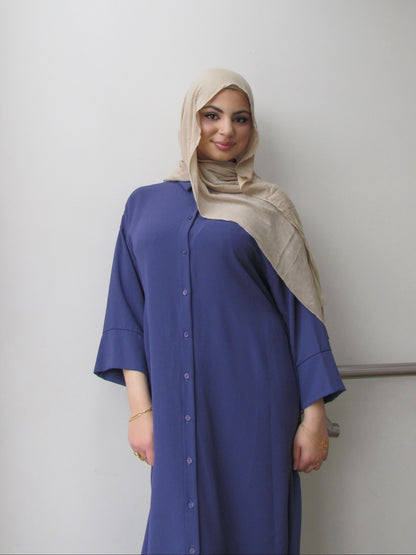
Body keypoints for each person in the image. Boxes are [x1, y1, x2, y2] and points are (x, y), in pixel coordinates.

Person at [94, 68, 345, 555]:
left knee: (257, 530)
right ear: (191, 119)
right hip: (173, 407)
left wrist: (314, 416)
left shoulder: (268, 206)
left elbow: (301, 315)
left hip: (257, 405)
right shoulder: (142, 206)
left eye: (240, 118)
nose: (226, 129)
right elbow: (126, 314)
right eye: (211, 115)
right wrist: (140, 411)